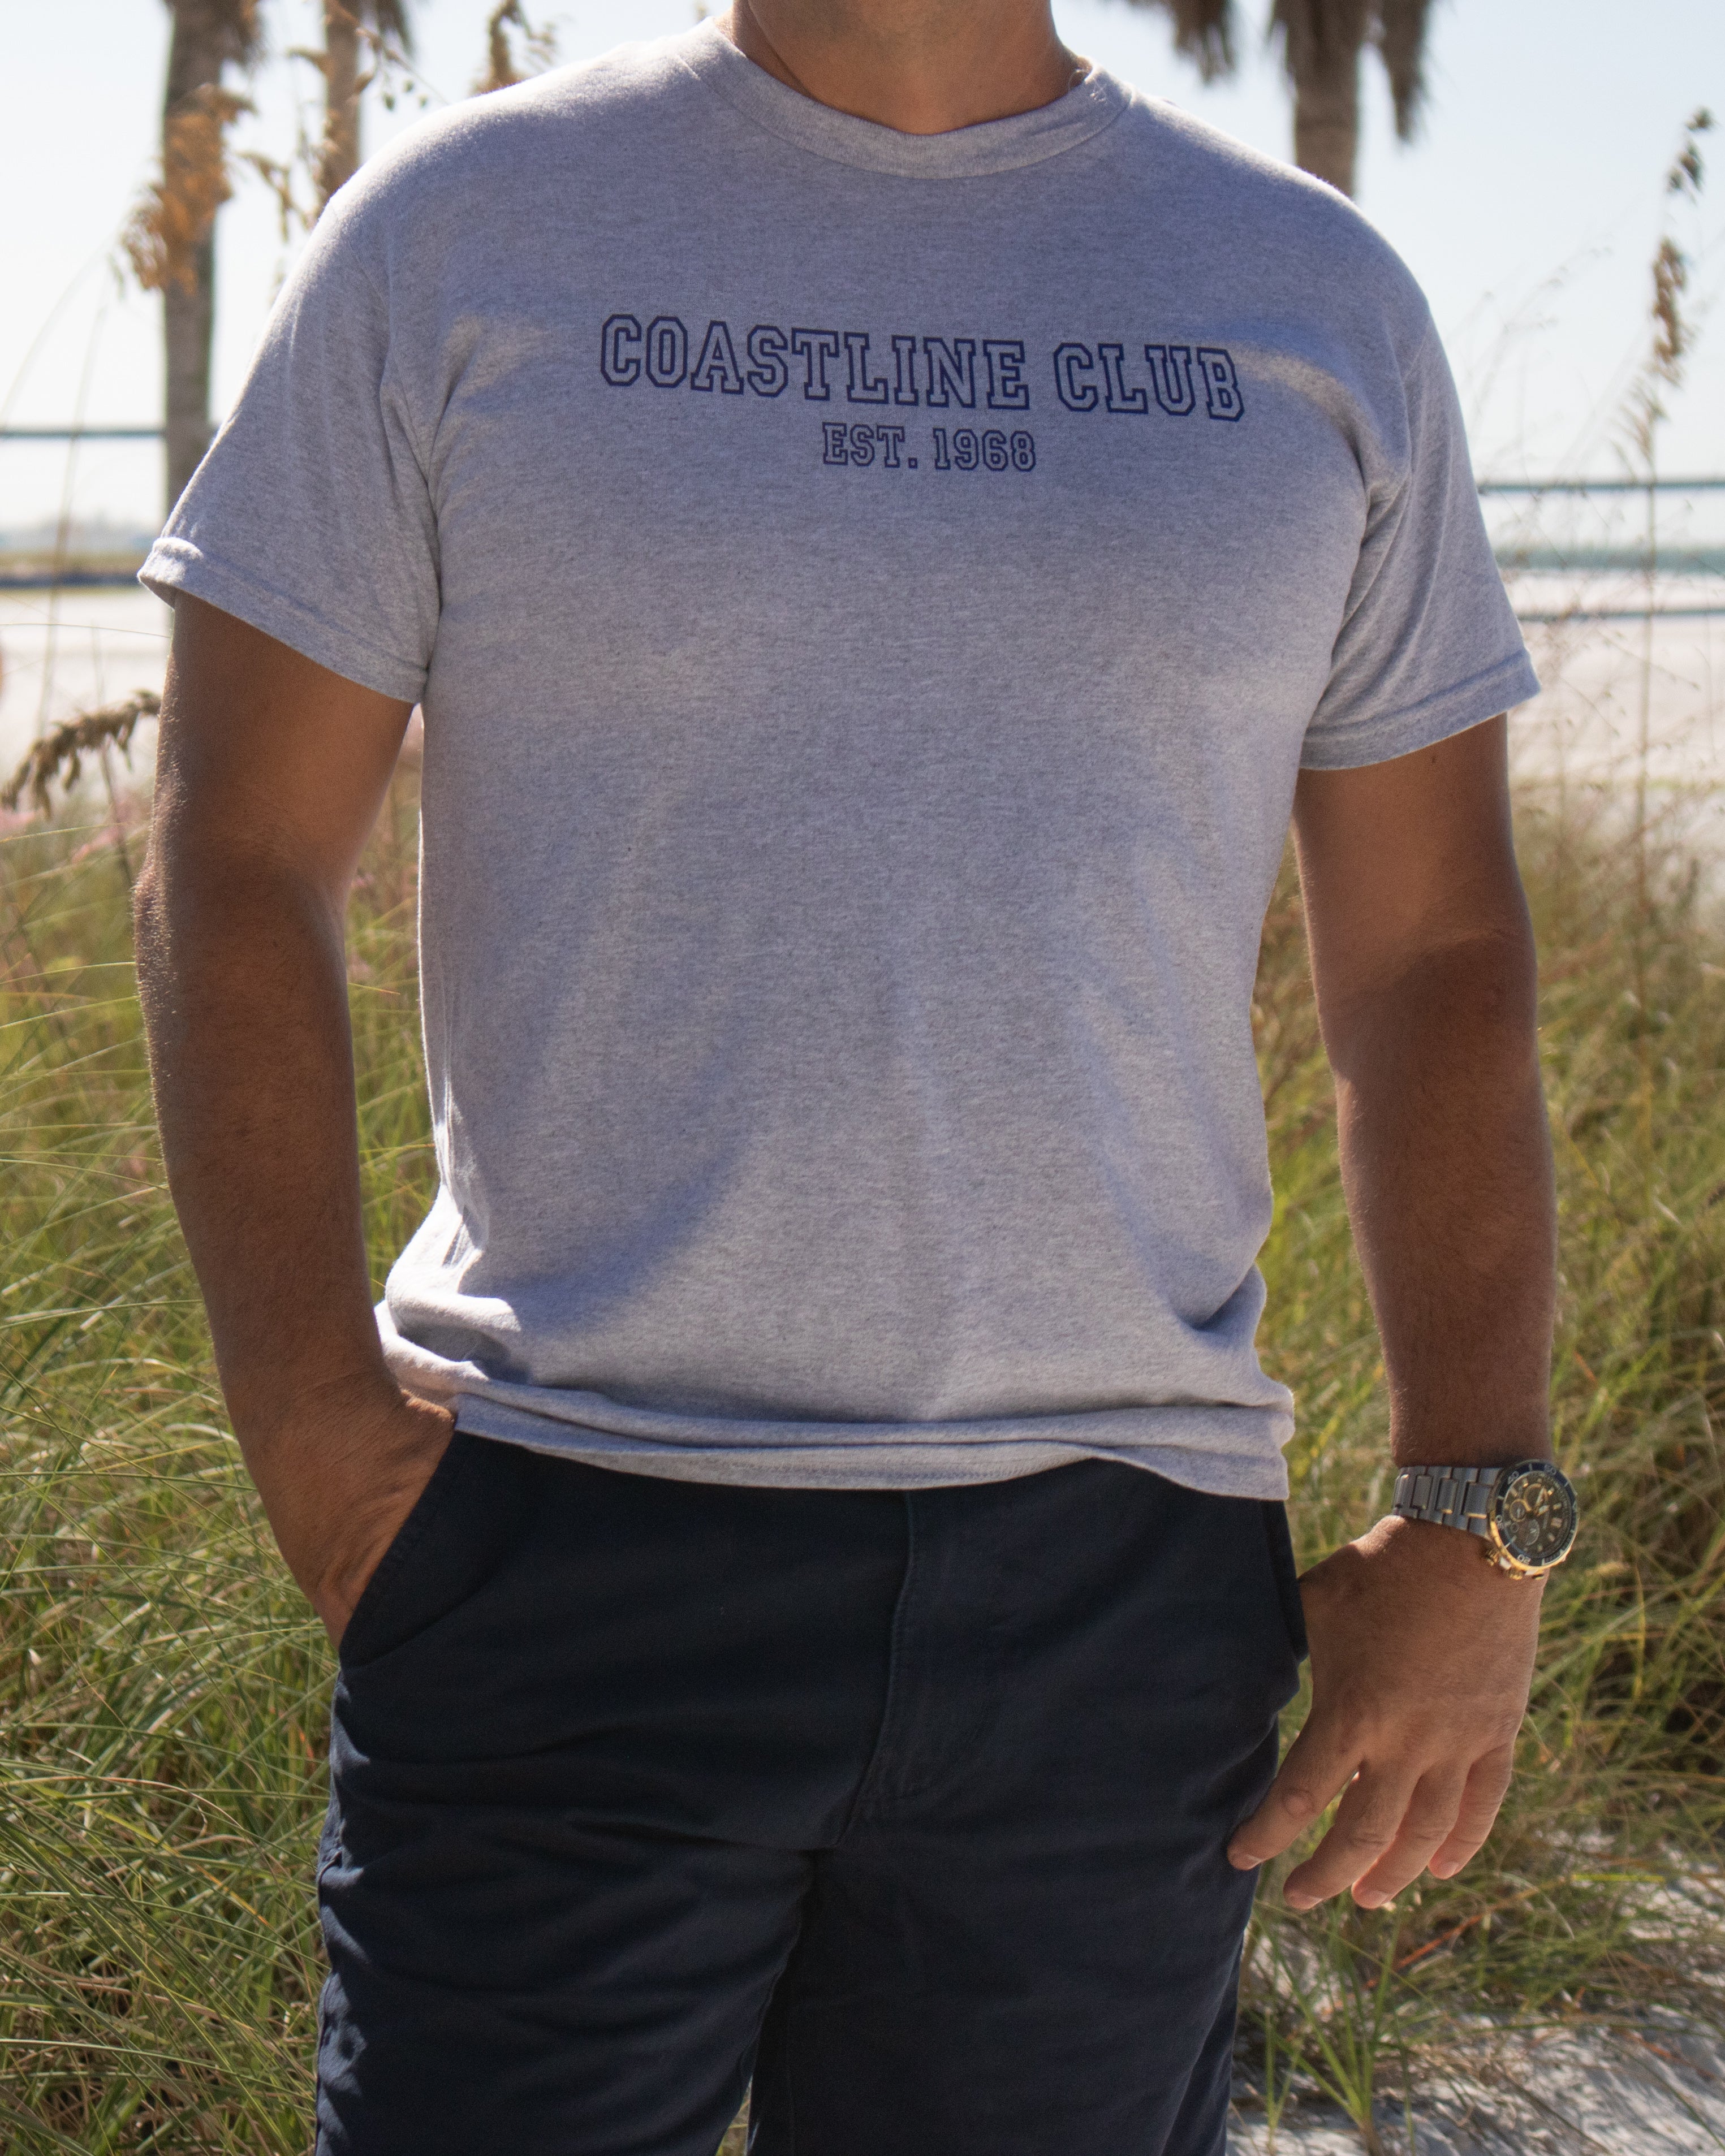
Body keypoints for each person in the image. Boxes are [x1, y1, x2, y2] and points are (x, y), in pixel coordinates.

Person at [133, 2, 1570, 2150]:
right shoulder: (455, 235)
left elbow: (1435, 949)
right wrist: (320, 1443)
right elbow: (238, 857)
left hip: (1118, 1577)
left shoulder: (1314, 297)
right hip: (565, 1523)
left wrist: (1479, 1513)